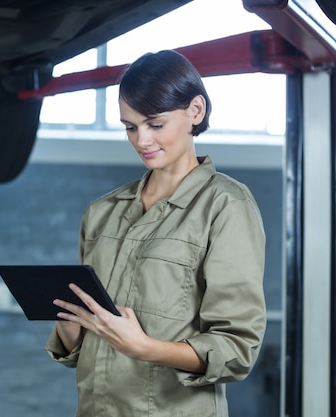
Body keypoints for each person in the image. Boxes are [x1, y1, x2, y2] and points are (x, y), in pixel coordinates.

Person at [45, 50, 267, 417]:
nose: (141, 140)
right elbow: (92, 347)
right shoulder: (103, 213)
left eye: (155, 124)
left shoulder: (225, 206)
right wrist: (72, 332)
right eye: (130, 127)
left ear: (195, 111)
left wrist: (146, 348)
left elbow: (236, 349)